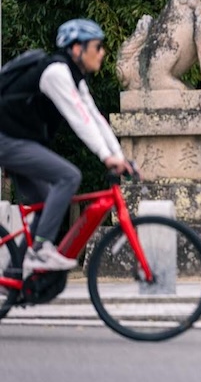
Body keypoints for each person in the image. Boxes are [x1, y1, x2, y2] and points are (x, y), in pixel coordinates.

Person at [0, 19, 135, 276]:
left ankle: (16, 277)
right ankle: (40, 251)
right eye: (97, 46)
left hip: (20, 141)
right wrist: (107, 157)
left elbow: (95, 116)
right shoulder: (55, 72)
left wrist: (120, 156)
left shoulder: (74, 76)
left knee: (47, 200)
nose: (103, 52)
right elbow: (78, 118)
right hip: (8, 140)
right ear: (77, 49)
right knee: (69, 176)